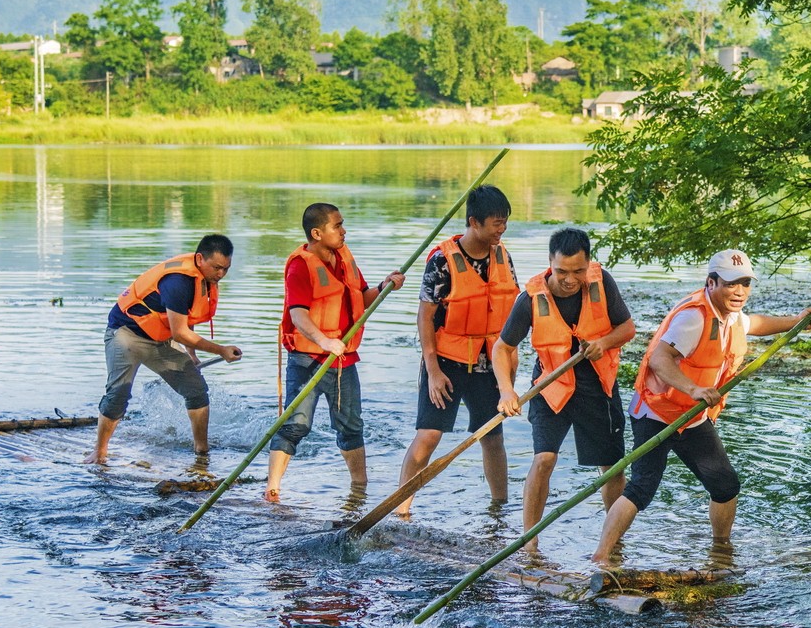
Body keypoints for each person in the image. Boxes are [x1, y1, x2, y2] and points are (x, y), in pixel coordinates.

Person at [591, 249, 811, 565]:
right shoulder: (693, 317)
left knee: (725, 485)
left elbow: (755, 323)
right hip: (657, 412)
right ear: (712, 283)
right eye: (731, 284)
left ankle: (721, 552)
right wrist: (694, 388)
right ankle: (602, 557)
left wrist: (796, 321)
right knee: (641, 489)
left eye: (745, 284)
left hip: (691, 417)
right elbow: (659, 358)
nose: (739, 292)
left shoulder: (731, 314)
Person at [491, 227, 637, 544]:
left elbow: (627, 328)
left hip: (598, 386)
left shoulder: (603, 282)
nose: (570, 280)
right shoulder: (531, 298)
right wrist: (506, 389)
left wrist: (604, 342)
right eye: (561, 272)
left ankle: (614, 544)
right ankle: (528, 543)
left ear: (588, 264)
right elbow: (501, 348)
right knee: (544, 459)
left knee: (610, 467)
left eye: (577, 271)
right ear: (549, 263)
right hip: (551, 385)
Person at [263, 203, 405, 504]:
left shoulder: (344, 256)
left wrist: (385, 286)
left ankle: (359, 489)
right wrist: (324, 341)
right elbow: (299, 316)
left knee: (351, 426)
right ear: (317, 233)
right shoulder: (300, 266)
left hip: (344, 360)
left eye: (342, 225)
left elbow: (363, 297)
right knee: (295, 425)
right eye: (337, 226)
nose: (343, 231)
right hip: (308, 360)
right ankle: (272, 489)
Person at [394, 184, 517, 516]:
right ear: (474, 222)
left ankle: (499, 509)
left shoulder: (503, 255)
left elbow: (511, 321)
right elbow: (425, 317)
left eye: (505, 221)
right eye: (496, 222)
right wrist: (433, 372)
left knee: (492, 436)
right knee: (429, 435)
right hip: (447, 363)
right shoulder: (441, 261)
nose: (501, 229)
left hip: (488, 365)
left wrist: (509, 377)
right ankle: (401, 507)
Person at [90, 233, 242, 465]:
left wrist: (191, 353)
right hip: (127, 334)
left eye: (226, 269)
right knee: (119, 394)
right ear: (200, 259)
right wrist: (221, 350)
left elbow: (187, 314)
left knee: (196, 389)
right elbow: (180, 333)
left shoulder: (202, 278)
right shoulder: (178, 281)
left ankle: (201, 452)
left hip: (159, 337)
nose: (220, 274)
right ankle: (99, 453)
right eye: (217, 268)